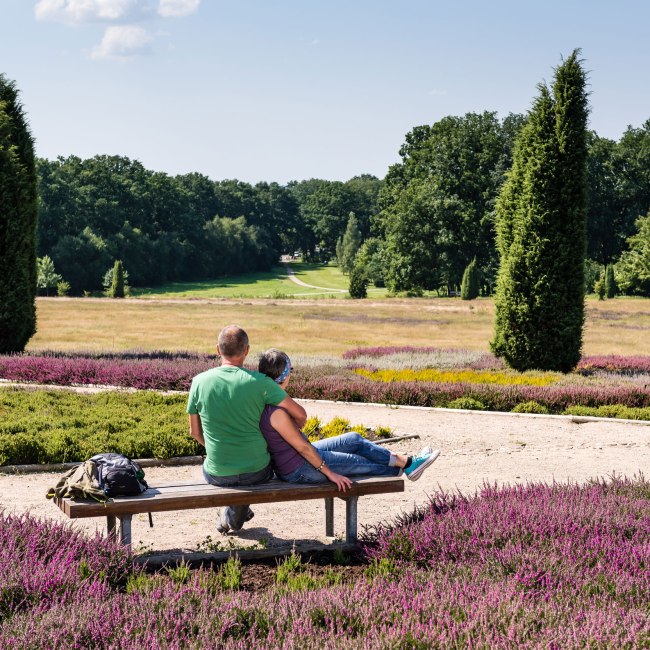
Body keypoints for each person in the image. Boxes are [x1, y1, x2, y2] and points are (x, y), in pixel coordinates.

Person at [258, 349, 440, 491]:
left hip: (299, 459)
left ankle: (408, 464)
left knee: (353, 439)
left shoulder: (271, 399)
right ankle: (408, 465)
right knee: (360, 462)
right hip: (299, 469)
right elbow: (303, 447)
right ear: (285, 374)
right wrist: (330, 474)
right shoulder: (277, 411)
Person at [187, 326, 307, 533]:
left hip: (217, 472)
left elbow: (195, 433)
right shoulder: (261, 383)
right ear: (247, 351)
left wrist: (219, 449)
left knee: (227, 474)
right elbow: (301, 415)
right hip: (258, 471)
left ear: (217, 349)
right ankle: (235, 514)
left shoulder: (198, 382)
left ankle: (235, 513)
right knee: (249, 472)